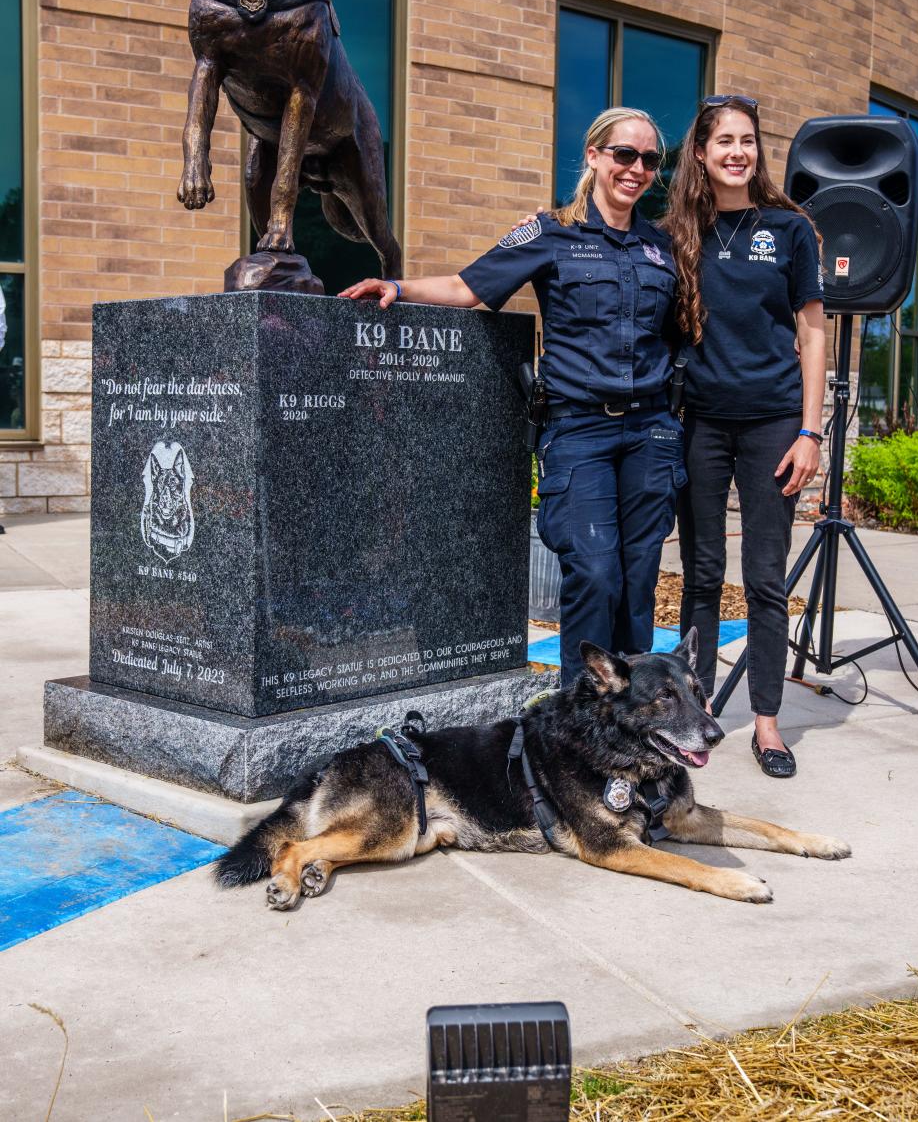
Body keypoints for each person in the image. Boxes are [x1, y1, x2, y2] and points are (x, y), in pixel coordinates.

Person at [340, 107, 686, 686]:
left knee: (637, 578)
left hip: (651, 433)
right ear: (595, 156)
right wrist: (396, 287)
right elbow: (467, 286)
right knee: (594, 574)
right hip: (580, 431)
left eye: (650, 159)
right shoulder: (551, 233)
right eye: (624, 154)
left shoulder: (661, 246)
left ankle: (633, 712)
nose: (637, 169)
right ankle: (581, 708)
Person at [663, 95, 825, 778]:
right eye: (724, 140)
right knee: (699, 576)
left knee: (763, 577)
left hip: (771, 425)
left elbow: (812, 332)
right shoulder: (676, 230)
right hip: (698, 422)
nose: (738, 151)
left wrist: (811, 430)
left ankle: (765, 722)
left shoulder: (788, 229)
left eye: (748, 140)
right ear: (700, 152)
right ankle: (693, 718)